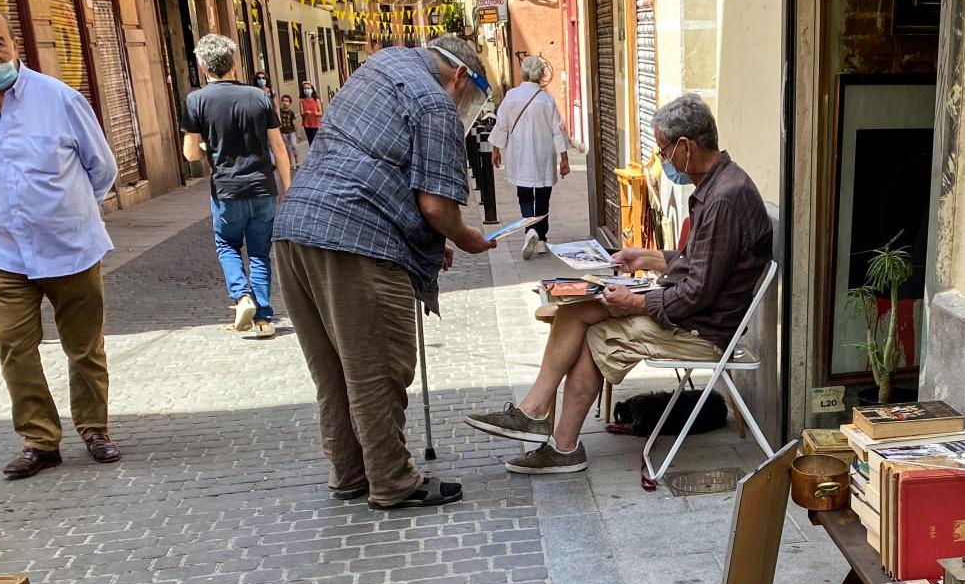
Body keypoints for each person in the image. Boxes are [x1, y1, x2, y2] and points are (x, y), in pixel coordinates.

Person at [465, 93, 772, 475]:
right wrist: (648, 256)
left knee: (599, 335)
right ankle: (536, 412)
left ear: (685, 147)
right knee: (575, 310)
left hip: (704, 328)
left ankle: (559, 442)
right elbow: (701, 262)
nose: (663, 162)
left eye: (662, 151)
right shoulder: (720, 185)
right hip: (694, 310)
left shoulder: (725, 198)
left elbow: (698, 290)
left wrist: (637, 303)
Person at [272, 35, 496, 510]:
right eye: (469, 98)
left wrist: (427, 242)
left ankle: (350, 473)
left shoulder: (380, 66)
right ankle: (392, 481)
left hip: (295, 231)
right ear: (459, 77)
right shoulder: (435, 102)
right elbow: (436, 205)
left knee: (333, 369)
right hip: (355, 239)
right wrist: (462, 236)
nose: (464, 106)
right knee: (377, 367)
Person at [0, 3, 119, 479]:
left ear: (14, 43)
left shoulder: (59, 98)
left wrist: (71, 211)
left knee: (83, 347)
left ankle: (93, 428)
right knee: (14, 346)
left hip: (71, 246)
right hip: (2, 249)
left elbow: (102, 168)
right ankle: (40, 440)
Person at [182, 34, 292, 340]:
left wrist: (206, 145)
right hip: (263, 187)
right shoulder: (259, 96)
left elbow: (190, 153)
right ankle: (264, 319)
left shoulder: (196, 100)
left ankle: (242, 297)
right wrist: (287, 186)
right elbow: (279, 148)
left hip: (227, 189)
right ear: (235, 63)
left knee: (227, 245)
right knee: (260, 253)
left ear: (203, 66)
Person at [488, 55, 569, 259]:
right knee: (543, 197)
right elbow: (557, 130)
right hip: (543, 154)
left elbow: (501, 125)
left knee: (524, 195)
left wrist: (496, 149)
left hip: (519, 153)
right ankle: (541, 239)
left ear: (523, 73)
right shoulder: (546, 100)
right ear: (541, 75)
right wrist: (564, 158)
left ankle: (530, 230)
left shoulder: (511, 96)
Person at [279, 94, 303, 169]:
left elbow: (295, 123)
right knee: (287, 148)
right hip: (283, 132)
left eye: (287, 101)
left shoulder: (291, 112)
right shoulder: (279, 111)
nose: (285, 102)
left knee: (294, 145)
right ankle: (291, 163)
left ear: (290, 103)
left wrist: (298, 133)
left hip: (291, 132)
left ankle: (297, 161)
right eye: (283, 101)